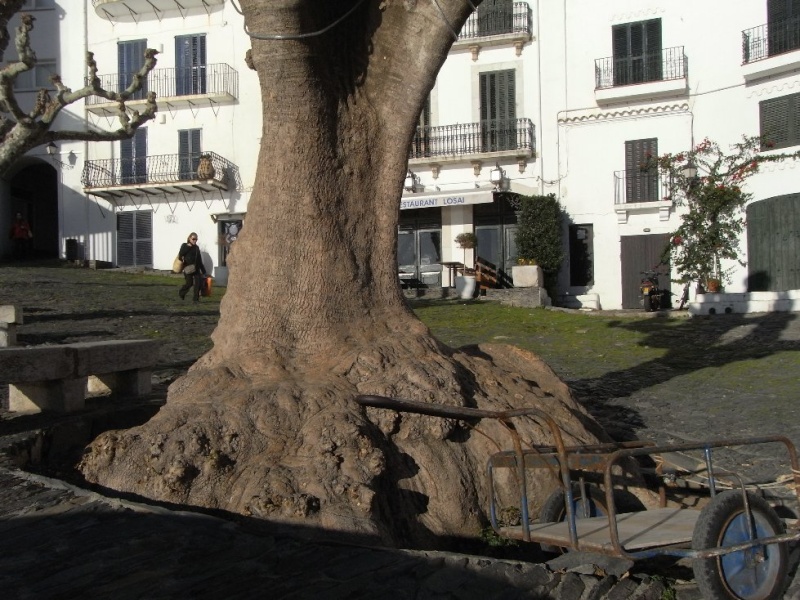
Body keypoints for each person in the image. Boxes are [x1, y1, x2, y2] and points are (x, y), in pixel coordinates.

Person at [178, 232, 207, 302]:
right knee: (189, 283)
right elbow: (180, 255)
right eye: (193, 239)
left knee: (198, 284)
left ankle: (195, 299)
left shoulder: (196, 248)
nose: (195, 241)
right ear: (189, 238)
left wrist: (204, 271)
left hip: (196, 268)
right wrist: (188, 246)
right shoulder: (184, 245)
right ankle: (181, 293)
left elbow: (199, 260)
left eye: (196, 239)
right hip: (187, 268)